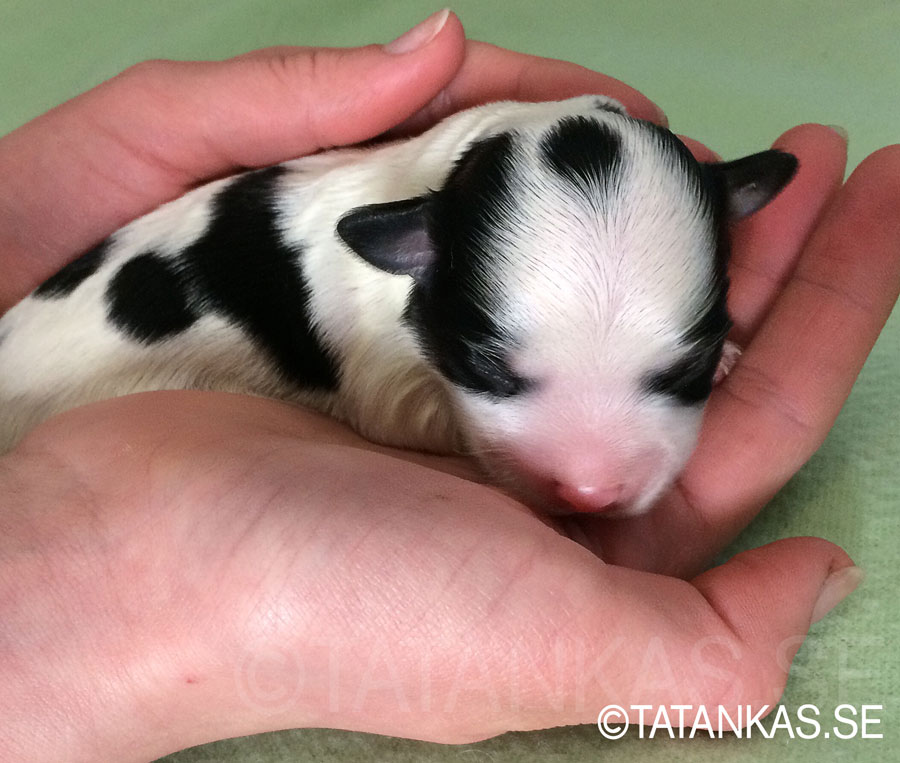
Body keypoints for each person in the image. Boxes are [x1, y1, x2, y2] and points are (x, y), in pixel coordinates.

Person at [0, 10, 896, 761]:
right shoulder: (362, 284)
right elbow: (392, 404)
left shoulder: (480, 229)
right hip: (45, 404)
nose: (588, 481)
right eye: (507, 373)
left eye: (674, 368)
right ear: (412, 254)